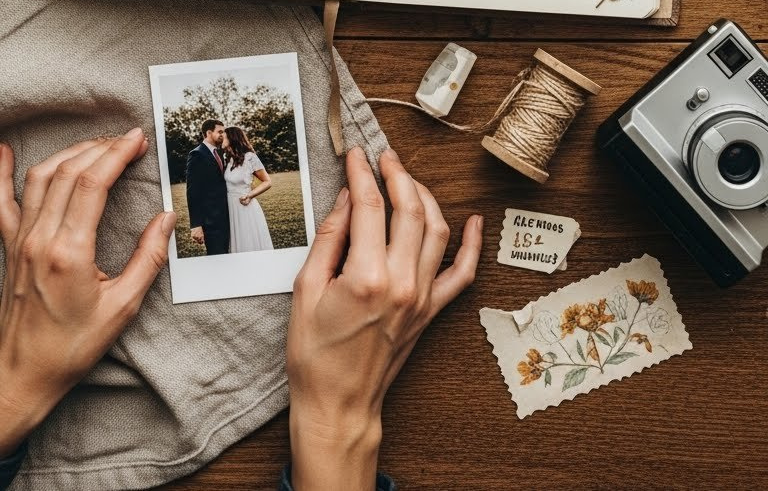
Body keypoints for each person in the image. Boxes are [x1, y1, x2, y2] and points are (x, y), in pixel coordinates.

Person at [0, 137, 482, 491]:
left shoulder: (240, 158)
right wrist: (337, 418)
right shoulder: (211, 158)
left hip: (246, 211)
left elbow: (261, 182)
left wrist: (14, 383)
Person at [222, 126, 274, 253]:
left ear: (232, 138)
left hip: (244, 206)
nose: (220, 139)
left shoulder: (250, 157)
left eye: (223, 136)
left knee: (248, 242)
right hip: (230, 207)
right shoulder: (226, 157)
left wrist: (250, 195)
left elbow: (267, 181)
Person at [185, 118, 230, 256]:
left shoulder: (221, 152)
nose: (223, 135)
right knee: (217, 256)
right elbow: (192, 192)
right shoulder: (197, 154)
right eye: (220, 132)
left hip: (226, 216)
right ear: (209, 132)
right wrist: (196, 225)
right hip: (211, 221)